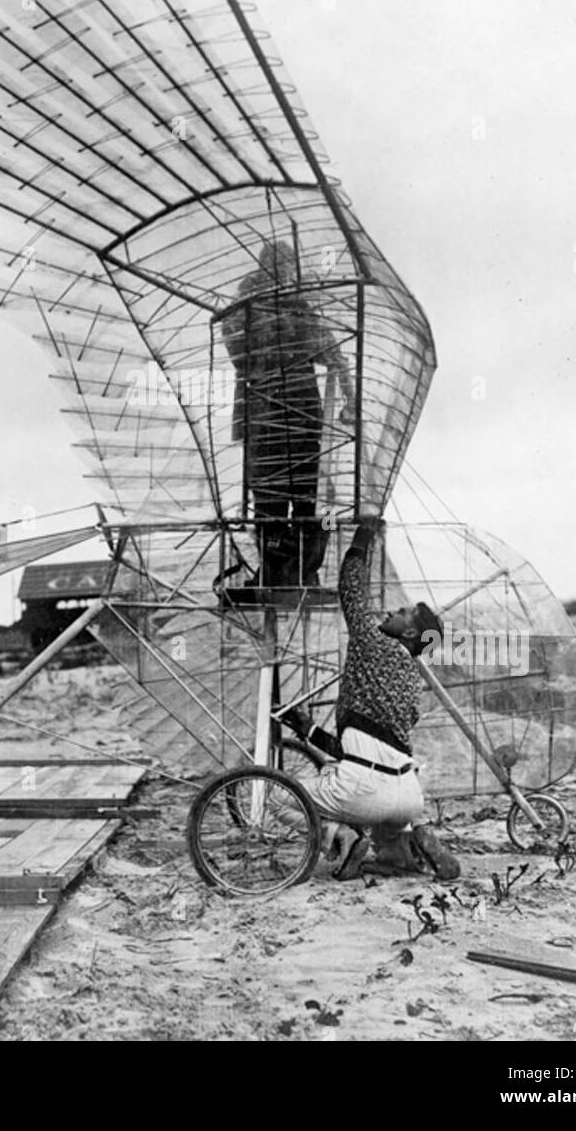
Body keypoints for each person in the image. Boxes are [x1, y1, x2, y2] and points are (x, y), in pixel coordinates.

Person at [282, 516, 461, 880]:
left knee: (278, 797)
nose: (392, 611)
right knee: (377, 811)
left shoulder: (374, 644)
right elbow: (365, 748)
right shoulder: (413, 680)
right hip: (407, 795)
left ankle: (341, 837)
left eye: (401, 613)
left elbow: (350, 587)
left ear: (409, 631)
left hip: (365, 790)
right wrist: (309, 731)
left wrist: (364, 534)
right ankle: (406, 845)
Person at [220, 240, 354, 588]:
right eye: (284, 266)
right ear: (270, 267)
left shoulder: (299, 308)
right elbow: (238, 345)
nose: (289, 273)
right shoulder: (248, 303)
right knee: (269, 500)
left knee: (305, 500)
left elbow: (334, 354)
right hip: (265, 415)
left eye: (290, 266)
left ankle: (303, 573)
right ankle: (276, 572)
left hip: (298, 416)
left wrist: (350, 397)